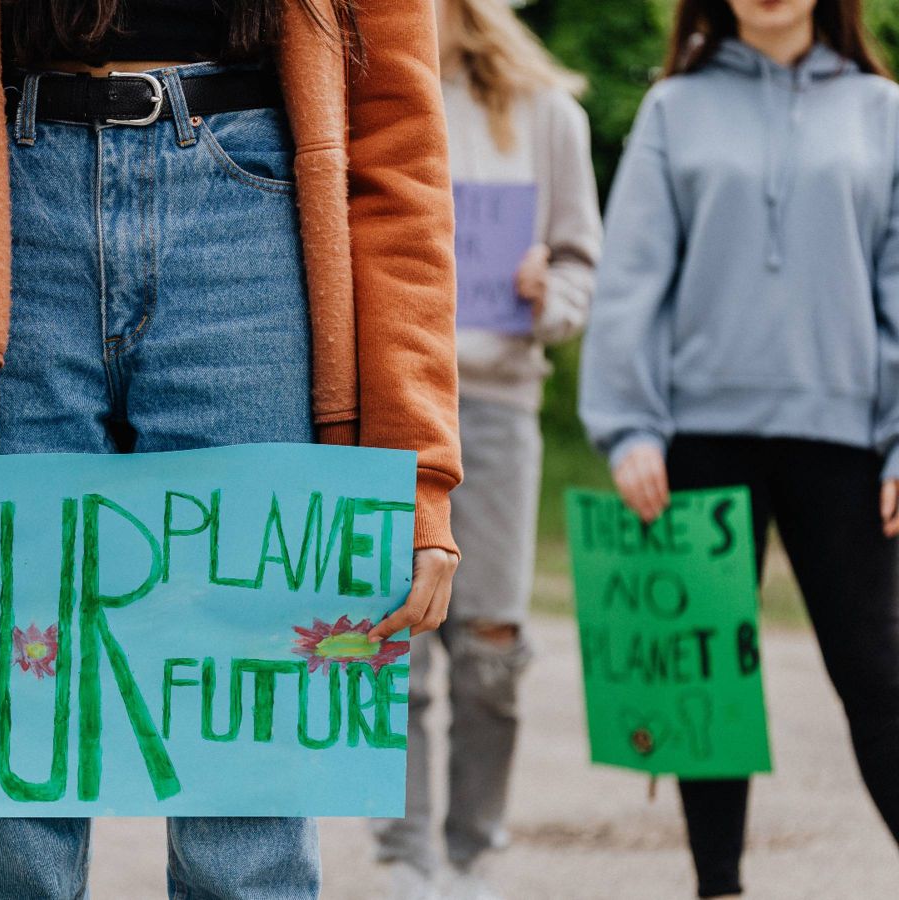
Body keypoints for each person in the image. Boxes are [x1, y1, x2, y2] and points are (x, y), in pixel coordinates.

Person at [0, 0, 462, 895]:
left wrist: (417, 470)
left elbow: (398, 143)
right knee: (10, 771)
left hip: (251, 207)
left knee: (247, 801)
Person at [580, 0, 899, 896]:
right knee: (707, 687)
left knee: (877, 675)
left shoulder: (884, 112)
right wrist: (628, 424)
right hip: (698, 440)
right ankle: (717, 886)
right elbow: (631, 278)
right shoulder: (673, 110)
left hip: (846, 442)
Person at [374, 2, 601, 898]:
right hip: (388, 410)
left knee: (491, 645)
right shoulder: (366, 88)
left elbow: (583, 264)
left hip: (498, 403)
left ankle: (470, 852)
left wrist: (552, 295)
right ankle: (405, 856)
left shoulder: (549, 114)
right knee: (397, 638)